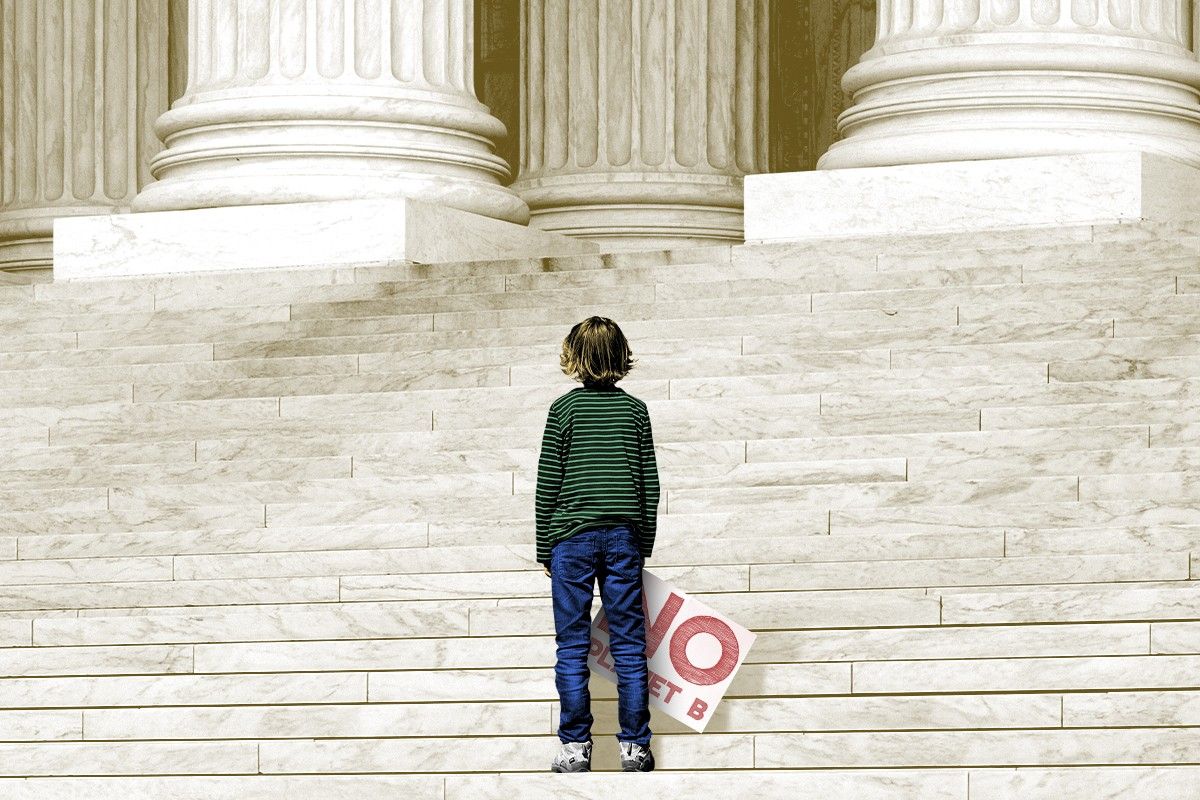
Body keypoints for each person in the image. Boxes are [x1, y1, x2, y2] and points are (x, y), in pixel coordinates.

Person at [535, 315, 661, 773]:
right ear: (621, 356)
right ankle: (635, 747)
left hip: (570, 538)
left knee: (571, 646)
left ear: (574, 356)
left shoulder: (563, 411)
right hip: (623, 536)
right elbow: (650, 483)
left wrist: (543, 545)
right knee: (629, 646)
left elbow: (547, 483)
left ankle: (574, 748)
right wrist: (641, 541)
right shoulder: (635, 411)